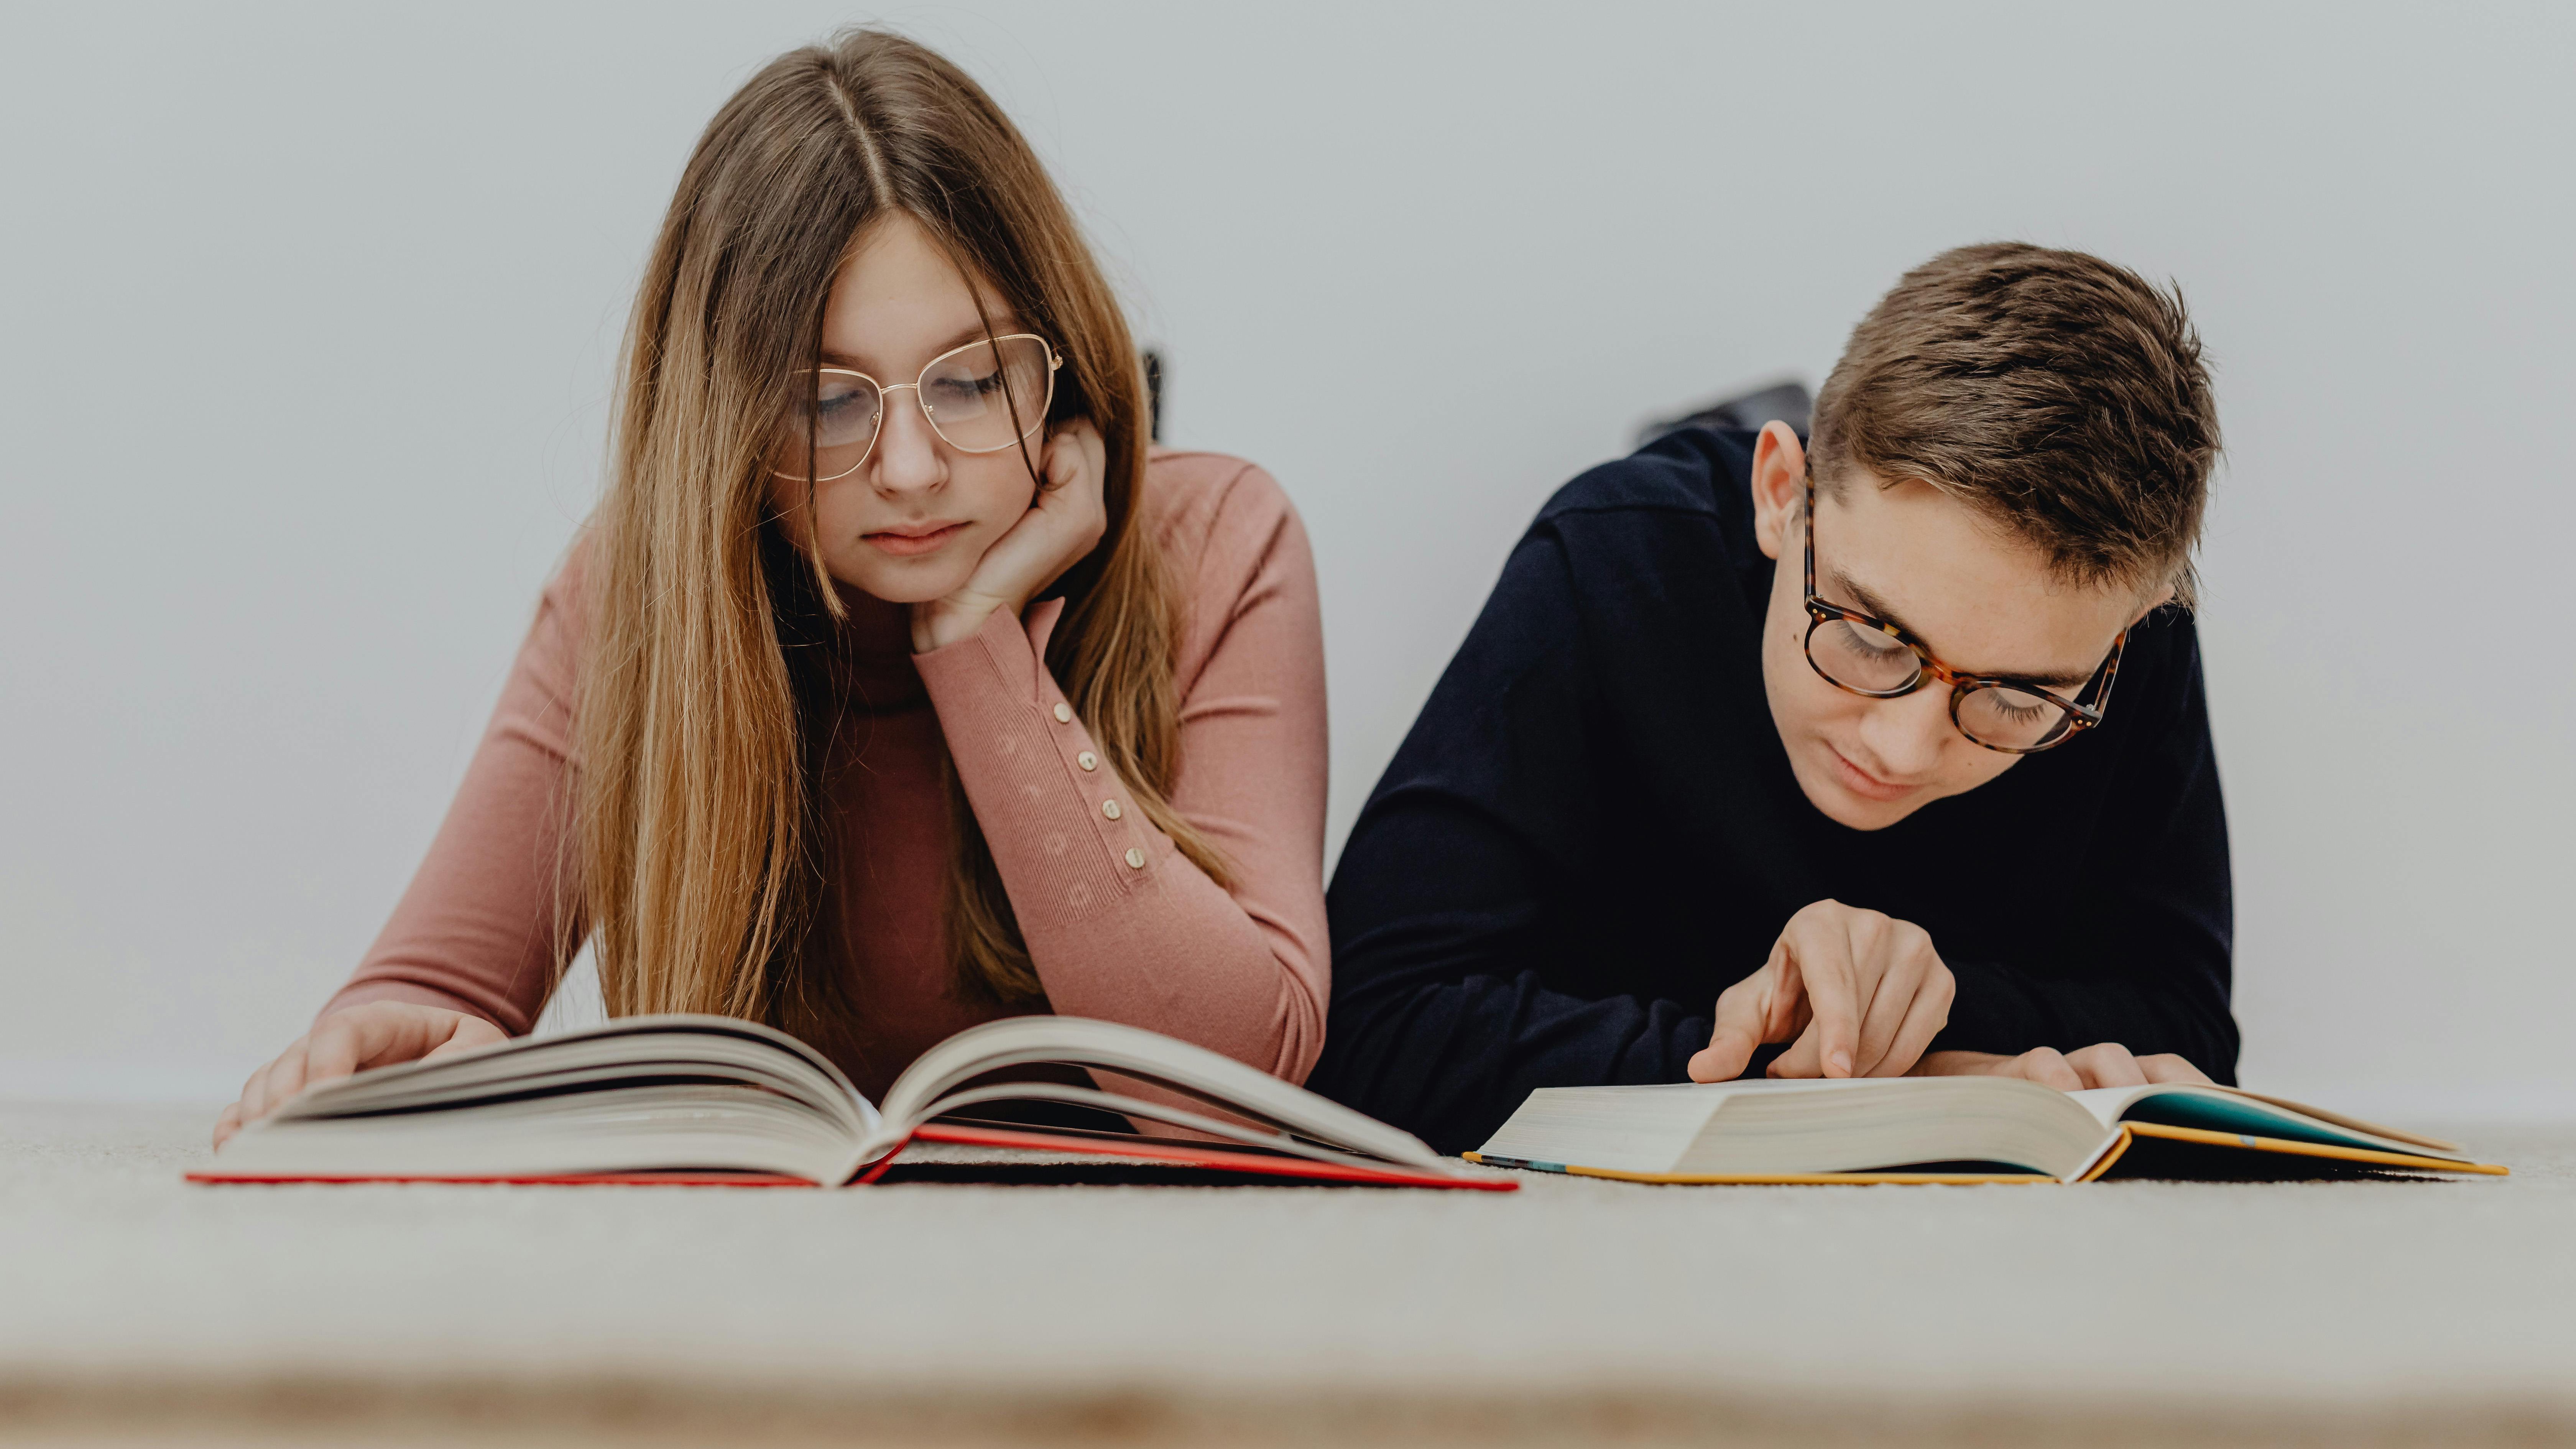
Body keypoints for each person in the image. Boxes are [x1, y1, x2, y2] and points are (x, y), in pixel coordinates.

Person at [216, 30, 1328, 1145]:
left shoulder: (1217, 542)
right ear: (732, 428)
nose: (908, 469)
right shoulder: (640, 592)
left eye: (976, 380)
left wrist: (980, 646)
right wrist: (388, 1054)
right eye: (828, 404)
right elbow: (428, 996)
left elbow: (1238, 1084)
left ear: (1063, 363)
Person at [1310, 243, 2232, 1153]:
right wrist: (1887, 1082)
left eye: (2021, 701)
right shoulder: (1617, 557)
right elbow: (1372, 1033)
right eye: (1873, 638)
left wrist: (1928, 1000)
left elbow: (2183, 1040)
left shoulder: (2120, 648)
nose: (1904, 749)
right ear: (1782, 492)